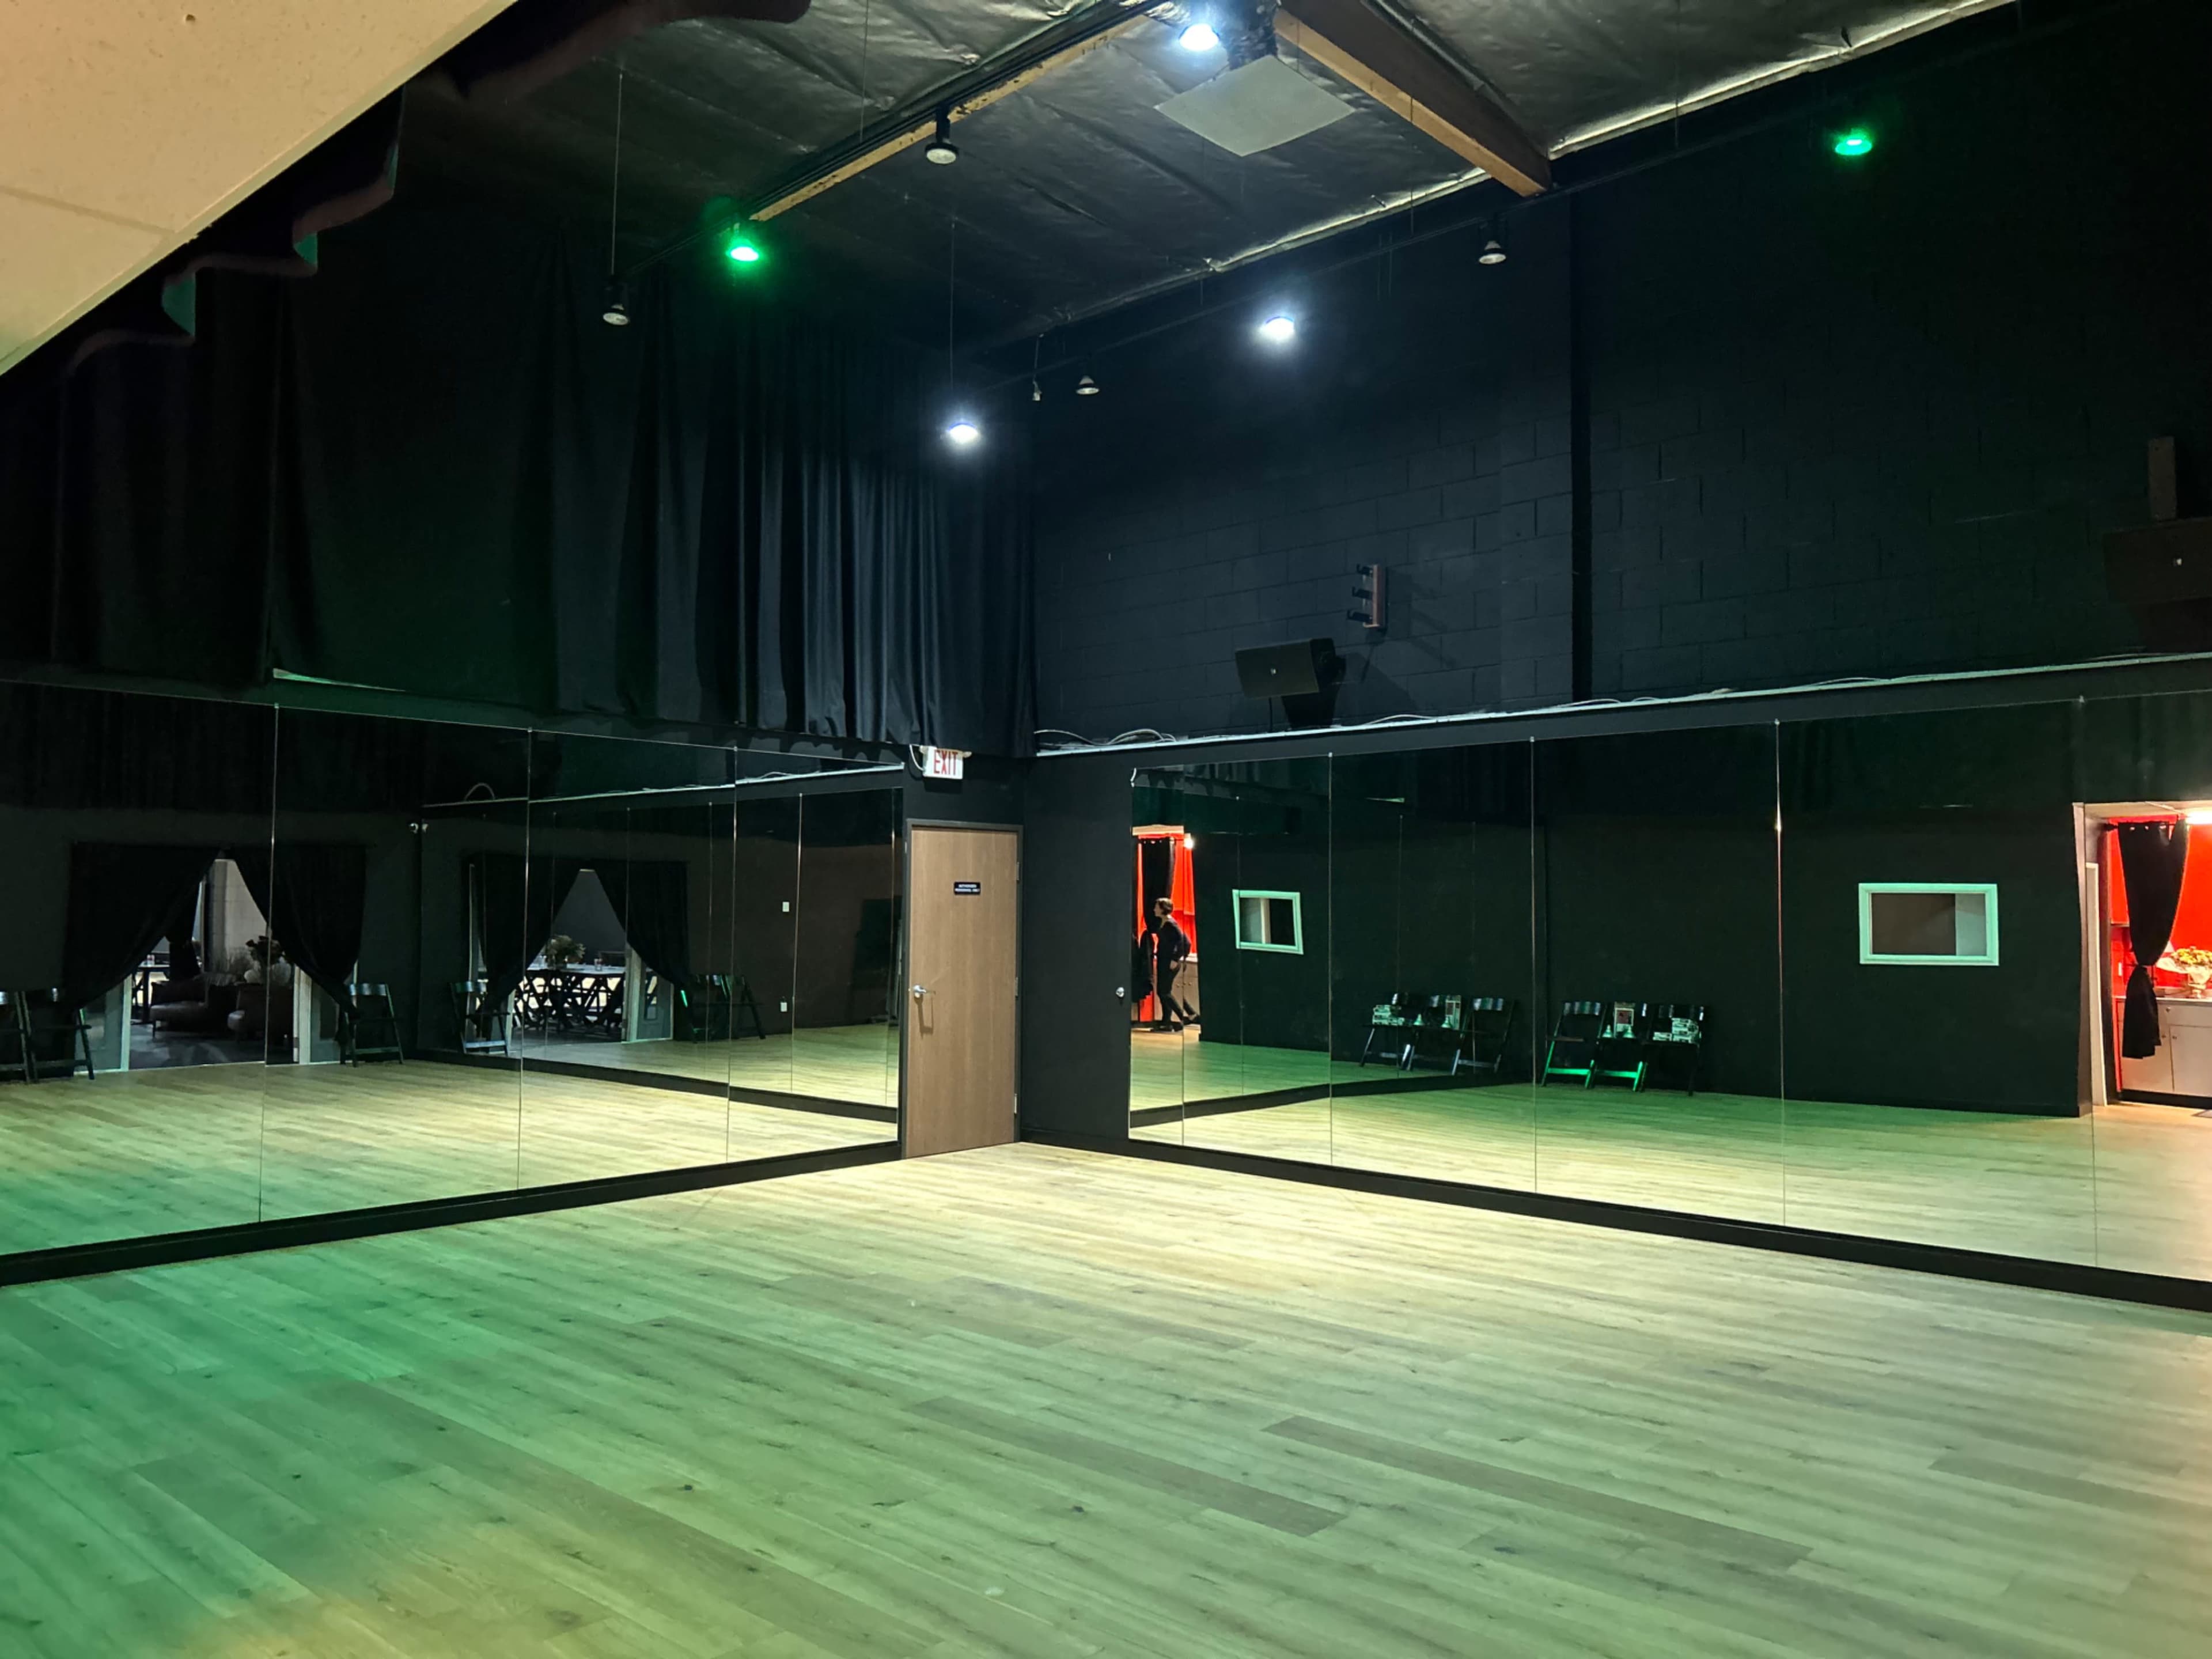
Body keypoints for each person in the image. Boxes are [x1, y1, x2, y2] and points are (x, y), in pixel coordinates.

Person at [1150, 897, 1195, 1031]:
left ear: (1163, 908)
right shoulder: (1165, 923)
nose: (1154, 909)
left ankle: (1182, 1017)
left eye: (1157, 907)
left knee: (1164, 992)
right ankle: (1167, 1022)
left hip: (1169, 963)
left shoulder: (1171, 924)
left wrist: (1176, 959)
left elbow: (1185, 942)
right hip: (1164, 961)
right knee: (1163, 992)